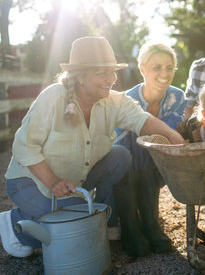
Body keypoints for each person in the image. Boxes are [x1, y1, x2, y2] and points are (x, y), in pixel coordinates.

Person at [0, 37, 185, 258]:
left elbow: (142, 120)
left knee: (120, 156)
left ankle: (93, 220)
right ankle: (13, 225)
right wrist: (53, 181)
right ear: (80, 76)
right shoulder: (53, 98)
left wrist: (175, 138)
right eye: (102, 73)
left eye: (112, 71)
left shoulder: (113, 101)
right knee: (74, 225)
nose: (111, 79)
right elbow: (24, 148)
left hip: (74, 182)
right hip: (32, 181)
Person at [114, 42, 185, 256]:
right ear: (142, 69)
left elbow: (166, 137)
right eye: (156, 67)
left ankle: (151, 224)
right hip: (123, 165)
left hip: (156, 163)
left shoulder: (176, 97)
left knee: (148, 152)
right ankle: (130, 227)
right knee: (129, 151)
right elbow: (119, 140)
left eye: (169, 67)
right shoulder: (125, 100)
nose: (164, 73)